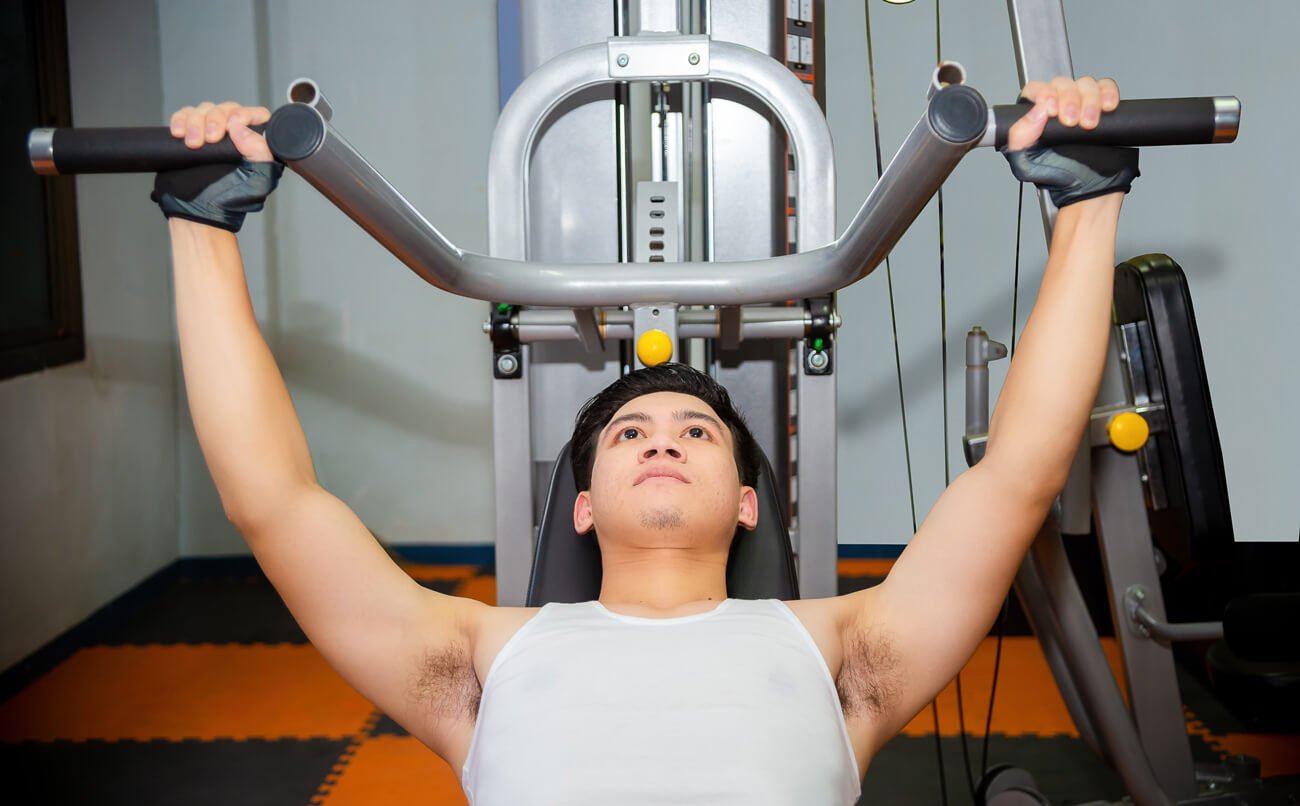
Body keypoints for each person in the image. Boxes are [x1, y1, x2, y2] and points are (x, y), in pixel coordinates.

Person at [159, 76, 1133, 804]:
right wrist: (201, 224)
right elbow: (273, 501)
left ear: (747, 502)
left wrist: (1087, 206)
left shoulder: (843, 654)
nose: (662, 441)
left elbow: (1016, 477)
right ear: (581, 505)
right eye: (630, 430)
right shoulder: (474, 661)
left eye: (696, 429)